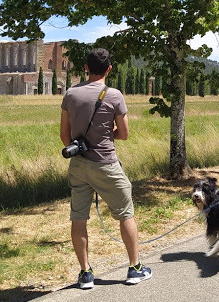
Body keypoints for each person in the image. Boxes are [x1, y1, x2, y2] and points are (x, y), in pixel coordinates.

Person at [60, 48, 152, 288]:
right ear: (109, 69)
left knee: (78, 219)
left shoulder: (70, 94)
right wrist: (105, 134)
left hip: (78, 164)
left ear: (86, 68)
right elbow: (124, 134)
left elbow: (64, 135)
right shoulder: (114, 95)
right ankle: (134, 268)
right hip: (106, 163)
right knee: (125, 214)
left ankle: (85, 273)